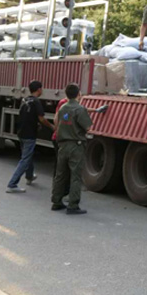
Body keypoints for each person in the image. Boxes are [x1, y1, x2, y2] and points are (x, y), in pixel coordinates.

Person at [51, 83, 107, 214]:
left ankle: (56, 201)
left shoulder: (63, 107)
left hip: (62, 145)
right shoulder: (80, 109)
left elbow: (57, 122)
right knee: (75, 176)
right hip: (76, 145)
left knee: (60, 175)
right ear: (78, 94)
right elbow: (88, 127)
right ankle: (73, 205)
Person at [7, 80, 54, 193]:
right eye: (41, 88)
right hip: (30, 134)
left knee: (28, 155)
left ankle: (29, 176)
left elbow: (24, 115)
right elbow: (41, 118)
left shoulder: (25, 100)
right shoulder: (36, 102)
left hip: (21, 132)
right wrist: (52, 126)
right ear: (39, 89)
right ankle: (12, 184)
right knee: (25, 159)